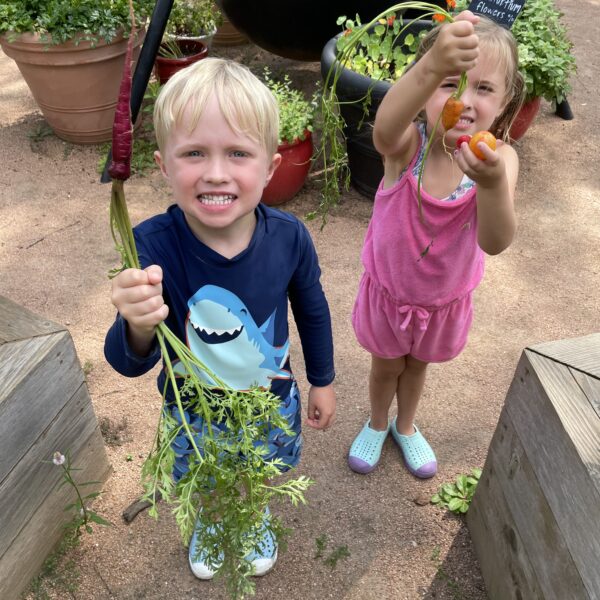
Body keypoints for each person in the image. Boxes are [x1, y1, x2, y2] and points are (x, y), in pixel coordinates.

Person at [104, 57, 336, 579]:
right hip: (192, 411)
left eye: (238, 153)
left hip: (268, 399)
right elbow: (125, 362)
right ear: (164, 165)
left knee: (259, 469)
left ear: (270, 167)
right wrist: (137, 323)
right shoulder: (149, 246)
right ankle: (209, 520)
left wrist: (323, 379)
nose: (215, 172)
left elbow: (312, 310)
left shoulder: (290, 238)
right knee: (203, 475)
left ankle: (251, 515)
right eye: (194, 153)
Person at [347, 12, 525, 478]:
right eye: (450, 83)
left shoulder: (500, 160)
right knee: (386, 367)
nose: (463, 100)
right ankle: (377, 421)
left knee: (417, 368)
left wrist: (491, 184)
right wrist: (430, 65)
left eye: (483, 88)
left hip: (441, 305)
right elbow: (383, 130)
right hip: (390, 298)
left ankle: (405, 425)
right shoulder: (409, 147)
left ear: (506, 100)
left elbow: (495, 241)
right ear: (426, 88)